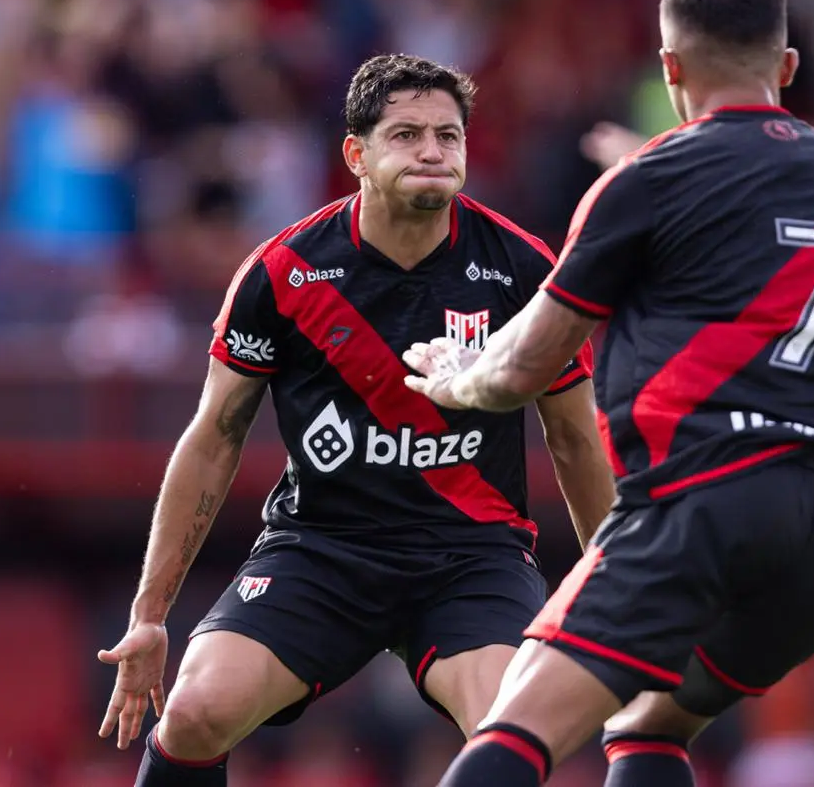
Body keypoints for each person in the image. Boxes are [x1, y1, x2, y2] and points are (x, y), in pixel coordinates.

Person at [401, 0, 814, 787]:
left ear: (668, 68)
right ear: (787, 67)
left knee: (516, 728)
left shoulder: (644, 178)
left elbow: (525, 367)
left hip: (710, 495)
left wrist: (453, 377)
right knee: (650, 717)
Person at [95, 53, 616, 786]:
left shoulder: (525, 271)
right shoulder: (285, 271)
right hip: (322, 549)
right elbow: (214, 436)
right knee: (193, 713)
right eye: (406, 135)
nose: (433, 151)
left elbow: (575, 436)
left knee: (513, 733)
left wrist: (614, 589)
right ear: (356, 154)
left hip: (470, 555)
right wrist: (151, 614)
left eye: (449, 135)